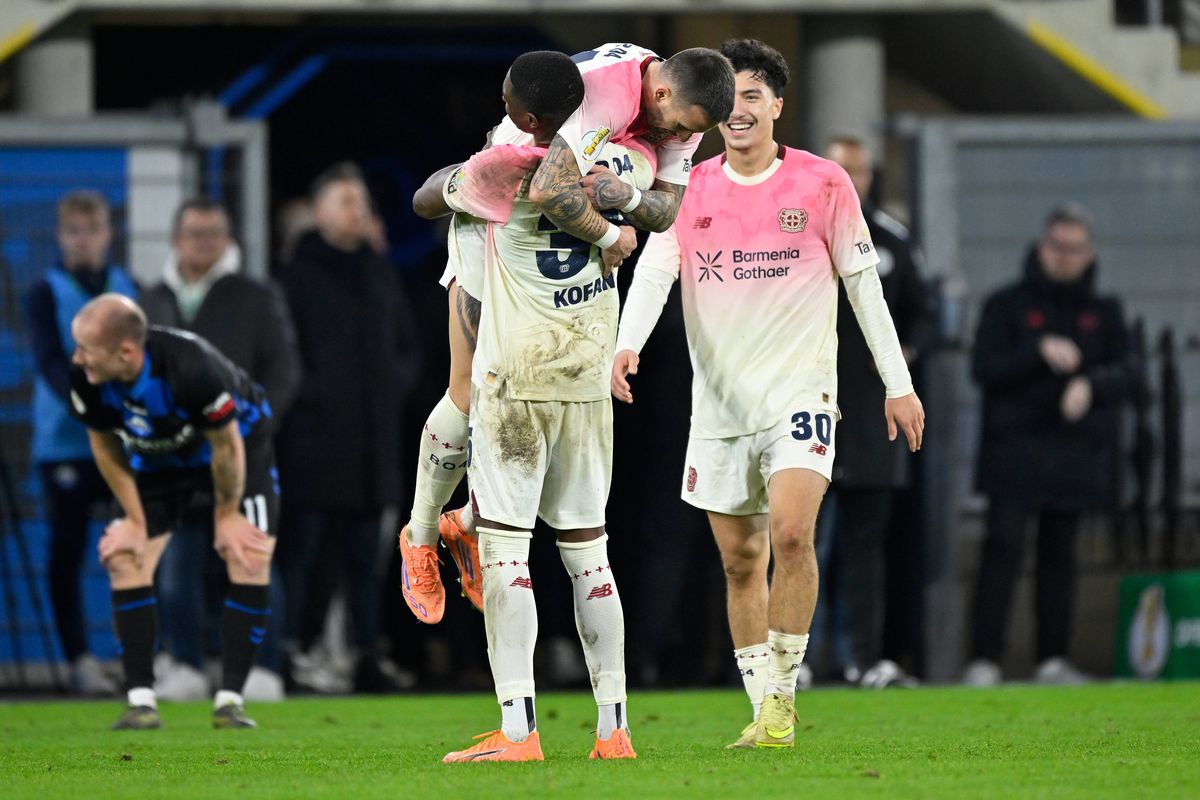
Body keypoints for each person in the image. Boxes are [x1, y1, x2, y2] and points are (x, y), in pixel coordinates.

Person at [610, 39, 925, 749]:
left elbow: (863, 286)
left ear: (778, 106)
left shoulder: (823, 183)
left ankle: (782, 699)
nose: (740, 110)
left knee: (790, 533)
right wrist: (625, 344)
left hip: (801, 392)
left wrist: (895, 385)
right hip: (721, 403)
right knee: (740, 560)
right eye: (730, 99)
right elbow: (658, 269)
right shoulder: (688, 186)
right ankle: (764, 711)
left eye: (754, 96)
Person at [401, 45, 735, 625]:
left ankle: (471, 525)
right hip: (500, 227)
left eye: (691, 133)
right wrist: (612, 235)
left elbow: (665, 212)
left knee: (550, 400)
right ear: (659, 94)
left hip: (566, 260)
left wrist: (624, 198)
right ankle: (422, 535)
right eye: (680, 126)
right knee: (472, 391)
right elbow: (548, 191)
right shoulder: (602, 91)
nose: (681, 137)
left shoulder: (685, 107)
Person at [414, 53, 658, 763]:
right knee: (591, 557)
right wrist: (618, 227)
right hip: (585, 379)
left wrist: (461, 172)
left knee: (508, 554)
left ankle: (519, 731)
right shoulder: (621, 166)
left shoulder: (504, 166)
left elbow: (427, 199)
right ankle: (614, 730)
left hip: (516, 379)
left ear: (521, 115)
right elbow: (653, 205)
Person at [68, 294, 277, 729]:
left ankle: (230, 703)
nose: (77, 358)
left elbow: (226, 446)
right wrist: (135, 521)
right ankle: (141, 703)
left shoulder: (192, 366)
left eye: (86, 349)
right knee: (126, 557)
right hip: (161, 463)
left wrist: (226, 517)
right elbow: (104, 444)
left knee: (248, 554)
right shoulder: (86, 377)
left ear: (125, 352)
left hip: (237, 451)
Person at [963, 203, 1131, 686]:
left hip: (1073, 456)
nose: (1064, 257)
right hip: (1012, 455)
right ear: (1042, 247)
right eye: (1057, 246)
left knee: (1061, 557)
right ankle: (985, 660)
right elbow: (984, 370)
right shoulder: (1006, 306)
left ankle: (1052, 659)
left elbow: (1131, 373)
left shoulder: (1105, 312)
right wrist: (1036, 352)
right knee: (1002, 553)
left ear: (1089, 253)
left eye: (1075, 248)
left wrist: (1091, 385)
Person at [141, 197, 301, 701]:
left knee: (252, 563)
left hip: (243, 456)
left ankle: (262, 670)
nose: (204, 243)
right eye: (195, 233)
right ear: (175, 239)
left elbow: (284, 371)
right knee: (175, 569)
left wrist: (251, 429)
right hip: (177, 459)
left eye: (214, 233)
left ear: (228, 239)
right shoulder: (151, 301)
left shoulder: (254, 296)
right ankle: (186, 666)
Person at [275, 162, 418, 693]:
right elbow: (287, 360)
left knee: (368, 558)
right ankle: (293, 650)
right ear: (318, 213)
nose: (357, 212)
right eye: (345, 202)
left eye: (361, 202)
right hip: (315, 447)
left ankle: (365, 654)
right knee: (308, 554)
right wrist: (316, 402)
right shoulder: (294, 277)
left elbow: (407, 348)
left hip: (374, 446)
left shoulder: (380, 274)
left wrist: (392, 390)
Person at [815, 135, 935, 688]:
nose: (851, 180)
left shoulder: (892, 241)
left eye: (859, 171)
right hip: (808, 405)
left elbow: (924, 315)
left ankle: (861, 660)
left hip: (871, 417)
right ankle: (800, 664)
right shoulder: (795, 234)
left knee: (866, 544)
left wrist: (904, 356)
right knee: (800, 540)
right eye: (842, 170)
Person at [22, 190, 137, 696]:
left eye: (92, 229)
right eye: (74, 231)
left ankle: (131, 653)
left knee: (131, 548)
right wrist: (91, 410)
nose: (84, 240)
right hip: (66, 442)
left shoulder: (126, 287)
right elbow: (49, 364)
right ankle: (78, 658)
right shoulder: (44, 293)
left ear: (107, 234)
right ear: (61, 236)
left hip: (125, 444)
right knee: (67, 550)